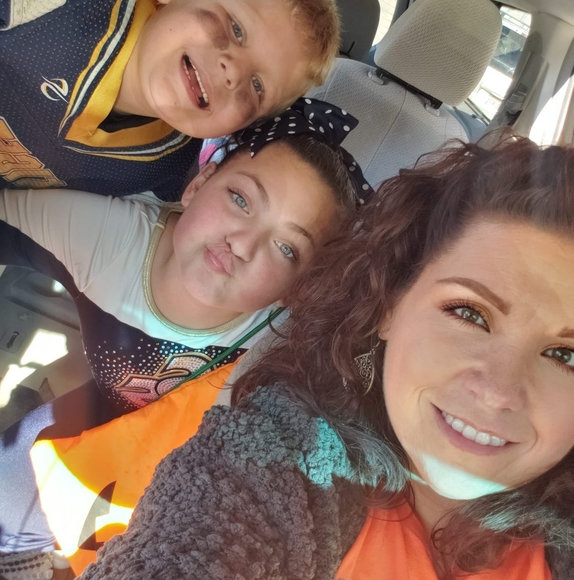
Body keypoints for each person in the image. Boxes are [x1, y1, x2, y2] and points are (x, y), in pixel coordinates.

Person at [78, 136, 574, 579]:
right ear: (390, 306)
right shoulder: (281, 460)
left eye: (566, 355)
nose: (497, 391)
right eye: (468, 313)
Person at [0, 99, 373, 578]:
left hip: (196, 462)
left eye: (286, 247)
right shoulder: (109, 238)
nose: (242, 243)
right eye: (240, 200)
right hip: (106, 414)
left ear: (297, 288)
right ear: (198, 185)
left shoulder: (285, 341)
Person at [0, 0, 340, 199]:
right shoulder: (63, 10)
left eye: (257, 87)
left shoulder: (174, 166)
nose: (233, 73)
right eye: (237, 29)